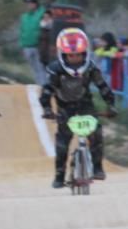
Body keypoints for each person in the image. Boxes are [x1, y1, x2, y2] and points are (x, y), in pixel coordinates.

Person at [40, 28, 117, 188]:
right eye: (71, 55)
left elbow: (102, 86)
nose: (75, 58)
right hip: (64, 107)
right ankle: (59, 175)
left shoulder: (91, 68)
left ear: (85, 53)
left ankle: (97, 167)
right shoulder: (55, 69)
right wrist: (47, 108)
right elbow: (47, 90)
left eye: (79, 54)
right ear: (63, 54)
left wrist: (110, 105)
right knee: (63, 141)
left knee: (96, 133)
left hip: (85, 104)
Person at [19, 0, 47, 85]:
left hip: (38, 45)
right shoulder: (24, 17)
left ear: (36, 4)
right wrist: (22, 45)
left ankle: (44, 84)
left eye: (31, 3)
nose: (29, 5)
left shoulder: (41, 14)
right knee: (34, 67)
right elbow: (22, 31)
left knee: (41, 66)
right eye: (27, 4)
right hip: (27, 45)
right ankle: (39, 83)